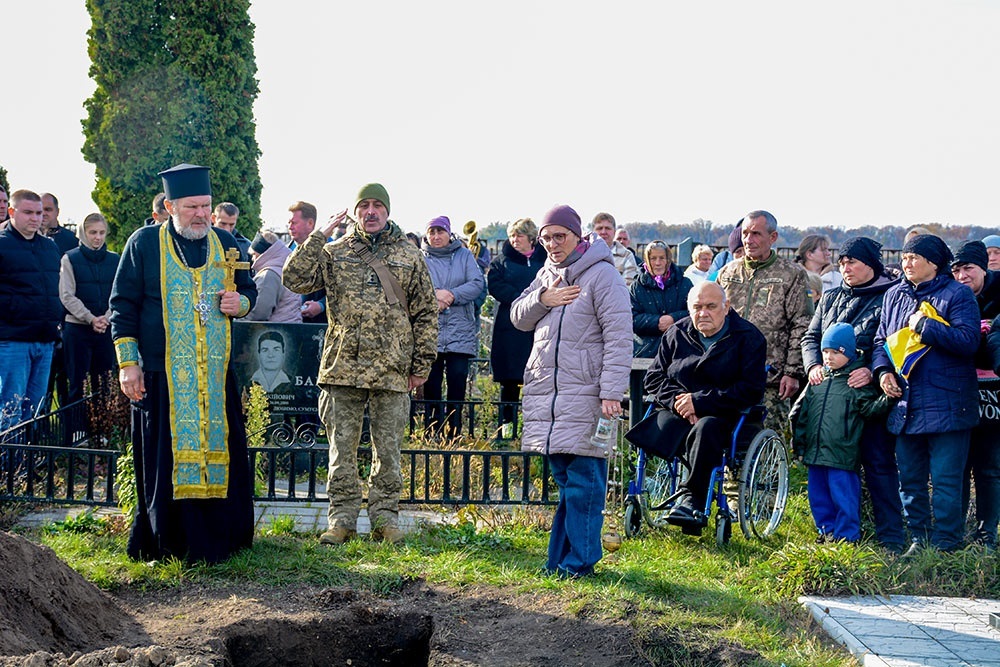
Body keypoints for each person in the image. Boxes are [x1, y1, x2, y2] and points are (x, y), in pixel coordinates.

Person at [110, 163, 257, 564]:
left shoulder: (227, 244)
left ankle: (222, 540)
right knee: (165, 458)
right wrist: (128, 364)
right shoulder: (143, 244)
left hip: (213, 372)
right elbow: (122, 306)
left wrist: (238, 304)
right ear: (170, 206)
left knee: (221, 450)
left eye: (206, 206)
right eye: (192, 206)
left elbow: (248, 292)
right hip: (161, 373)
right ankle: (167, 542)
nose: (201, 215)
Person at [283, 183, 437, 546]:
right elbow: (293, 278)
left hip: (392, 368)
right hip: (343, 368)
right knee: (341, 449)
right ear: (355, 211)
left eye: (377, 206)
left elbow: (426, 312)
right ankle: (342, 519)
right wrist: (318, 237)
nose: (370, 212)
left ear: (387, 210)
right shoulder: (334, 252)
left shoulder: (410, 255)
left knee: (388, 451)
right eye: (364, 205)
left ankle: (385, 518)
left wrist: (422, 364)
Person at [510, 204, 631, 577]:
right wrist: (541, 299)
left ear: (578, 236)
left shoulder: (602, 276)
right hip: (550, 394)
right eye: (546, 238)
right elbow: (517, 316)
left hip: (588, 394)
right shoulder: (546, 274)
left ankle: (579, 564)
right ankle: (561, 562)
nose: (552, 244)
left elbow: (618, 337)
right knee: (568, 481)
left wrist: (612, 391)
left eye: (559, 236)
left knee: (585, 484)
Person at [873, 234, 980, 554]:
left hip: (948, 403)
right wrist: (883, 372)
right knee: (911, 480)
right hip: (906, 404)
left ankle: (947, 544)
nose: (906, 263)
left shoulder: (957, 294)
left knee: (946, 482)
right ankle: (919, 541)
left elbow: (968, 341)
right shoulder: (894, 295)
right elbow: (881, 342)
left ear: (933, 263)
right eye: (904, 258)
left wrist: (926, 326)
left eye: (913, 258)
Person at [800, 236, 906, 552]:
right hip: (830, 394)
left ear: (871, 264)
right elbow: (811, 337)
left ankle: (890, 534)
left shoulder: (889, 297)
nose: (845, 267)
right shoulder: (830, 297)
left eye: (853, 262)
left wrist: (873, 371)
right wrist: (813, 366)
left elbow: (889, 341)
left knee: (878, 462)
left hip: (866, 393)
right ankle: (832, 529)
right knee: (829, 466)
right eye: (842, 262)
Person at [641, 281, 767, 528]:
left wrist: (699, 403)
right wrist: (682, 403)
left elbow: (751, 389)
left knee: (707, 428)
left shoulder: (748, 337)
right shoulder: (677, 333)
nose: (703, 313)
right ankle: (644, 494)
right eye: (697, 307)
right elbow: (654, 377)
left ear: (726, 306)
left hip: (724, 415)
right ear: (689, 309)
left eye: (711, 306)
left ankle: (692, 500)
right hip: (678, 411)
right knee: (653, 428)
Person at [790, 323, 892, 543]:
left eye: (836, 352)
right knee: (819, 497)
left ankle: (847, 536)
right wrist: (800, 445)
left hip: (843, 454)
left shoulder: (856, 383)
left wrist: (888, 398)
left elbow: (870, 410)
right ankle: (826, 531)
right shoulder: (817, 382)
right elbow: (804, 417)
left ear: (849, 353)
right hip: (816, 454)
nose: (828, 357)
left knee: (844, 497)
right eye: (825, 352)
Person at [717, 210, 812, 436]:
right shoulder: (727, 272)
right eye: (746, 233)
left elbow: (802, 324)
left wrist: (792, 371)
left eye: (756, 234)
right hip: (729, 377)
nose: (749, 240)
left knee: (768, 444)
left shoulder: (792, 274)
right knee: (728, 444)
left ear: (773, 237)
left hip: (771, 377)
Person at [950, 240, 1000, 548]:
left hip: (994, 392)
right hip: (958, 390)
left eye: (968, 268)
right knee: (957, 466)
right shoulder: (951, 295)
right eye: (956, 270)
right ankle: (955, 532)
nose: (962, 276)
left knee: (990, 467)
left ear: (983, 267)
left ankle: (987, 534)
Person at [0, 190, 61, 432]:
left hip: (45, 340)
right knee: (9, 409)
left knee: (34, 411)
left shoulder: (49, 247)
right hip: (12, 340)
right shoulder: (2, 244)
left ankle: (26, 465)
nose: (35, 218)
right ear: (12, 212)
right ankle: (7, 468)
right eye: (28, 212)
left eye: (39, 212)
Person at [421, 216, 484, 438]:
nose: (436, 237)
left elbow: (477, 284)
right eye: (432, 232)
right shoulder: (421, 259)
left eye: (440, 232)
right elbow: (412, 287)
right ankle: (431, 431)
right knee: (431, 383)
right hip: (431, 329)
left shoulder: (464, 255)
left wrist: (452, 295)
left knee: (457, 379)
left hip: (460, 329)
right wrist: (435, 297)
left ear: (449, 234)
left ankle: (454, 432)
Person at [488, 218, 546, 439]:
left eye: (519, 236)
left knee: (538, 384)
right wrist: (523, 299)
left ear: (531, 238)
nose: (515, 240)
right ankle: (507, 433)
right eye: (512, 236)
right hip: (509, 328)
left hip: (538, 328)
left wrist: (535, 301)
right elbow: (495, 285)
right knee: (509, 386)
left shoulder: (545, 260)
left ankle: (535, 432)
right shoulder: (501, 262)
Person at [59, 213, 120, 421]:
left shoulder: (115, 260)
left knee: (104, 382)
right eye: (93, 232)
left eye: (102, 233)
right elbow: (67, 294)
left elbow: (118, 293)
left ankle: (102, 430)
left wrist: (106, 317)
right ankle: (76, 431)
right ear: (83, 233)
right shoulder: (70, 258)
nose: (97, 237)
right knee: (78, 382)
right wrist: (90, 318)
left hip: (105, 328)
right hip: (77, 329)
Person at [630, 240, 692, 358]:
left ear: (668, 259)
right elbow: (632, 318)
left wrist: (673, 319)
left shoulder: (684, 283)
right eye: (653, 258)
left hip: (679, 348)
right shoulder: (637, 287)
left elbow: (694, 312)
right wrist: (657, 322)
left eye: (662, 258)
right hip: (646, 350)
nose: (658, 263)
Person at [243, 231, 302, 323]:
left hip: (274, 332)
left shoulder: (269, 275)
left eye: (254, 254)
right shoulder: (286, 269)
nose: (253, 259)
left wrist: (238, 319)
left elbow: (259, 313)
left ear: (264, 254)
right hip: (290, 328)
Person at [286, 201, 327, 324]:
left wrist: (321, 305)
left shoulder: (329, 250)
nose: (290, 227)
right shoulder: (287, 250)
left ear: (310, 223)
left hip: (319, 326)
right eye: (289, 223)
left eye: (294, 223)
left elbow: (343, 289)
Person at [590, 212, 638, 286]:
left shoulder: (626, 256)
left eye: (607, 228)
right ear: (593, 232)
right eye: (599, 228)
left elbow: (628, 286)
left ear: (614, 232)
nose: (603, 232)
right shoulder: (583, 254)